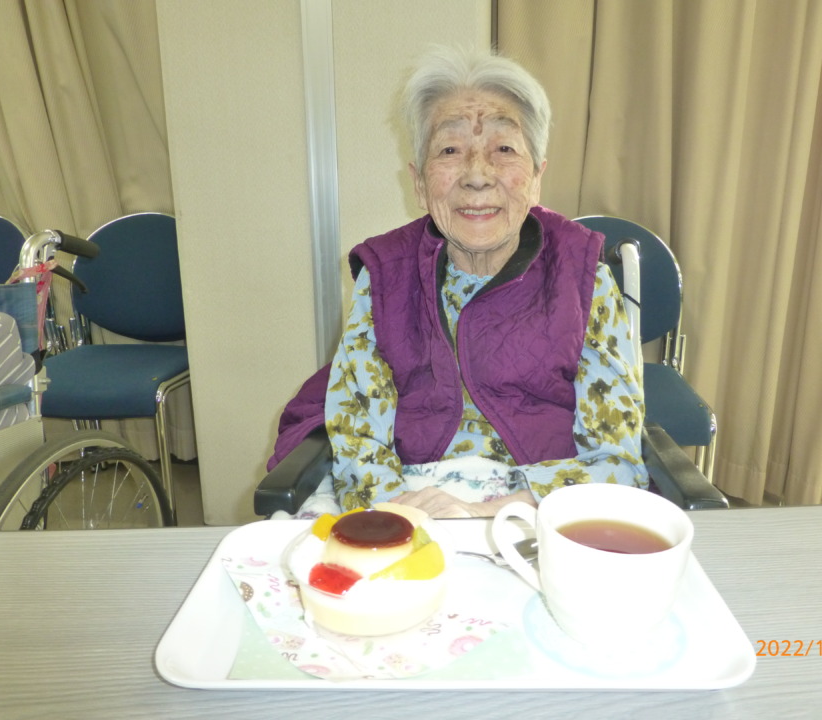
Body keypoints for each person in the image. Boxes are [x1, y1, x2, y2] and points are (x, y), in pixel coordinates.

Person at [268, 46, 646, 518]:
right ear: (419, 183)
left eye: (504, 149)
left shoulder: (583, 276)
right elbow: (357, 438)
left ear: (536, 177)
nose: (477, 175)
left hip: (537, 504)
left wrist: (493, 512)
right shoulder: (385, 275)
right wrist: (406, 520)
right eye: (449, 150)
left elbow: (617, 461)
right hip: (410, 499)